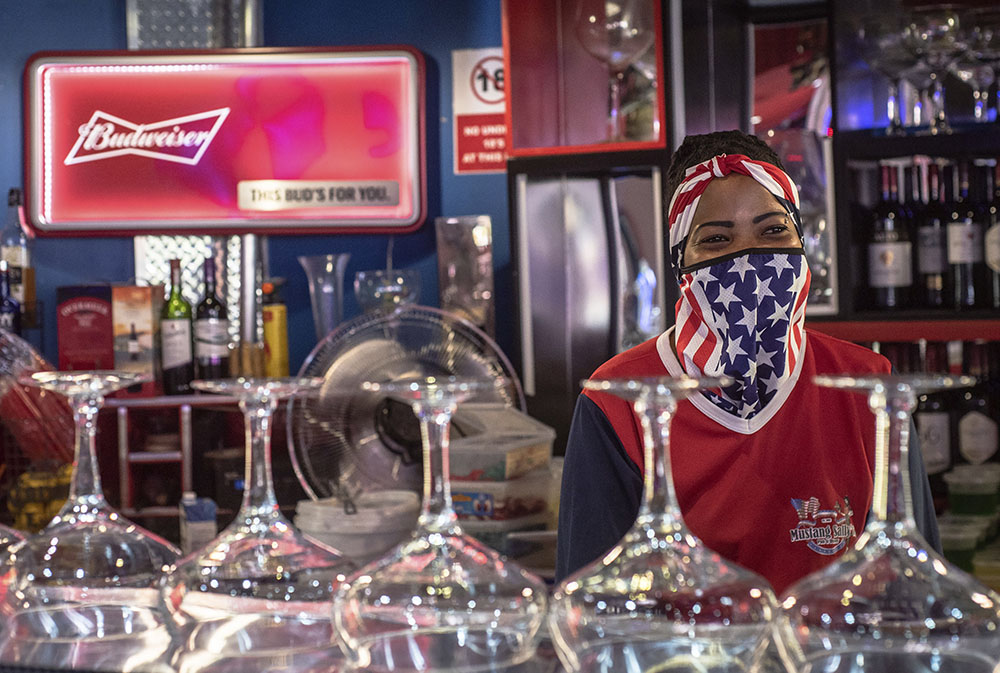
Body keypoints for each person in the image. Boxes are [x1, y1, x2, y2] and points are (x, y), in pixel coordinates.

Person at [555, 129, 940, 595]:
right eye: (716, 239)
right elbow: (596, 610)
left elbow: (918, 588)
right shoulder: (617, 402)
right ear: (681, 263)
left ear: (801, 242)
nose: (747, 257)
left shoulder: (868, 384)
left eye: (774, 231)